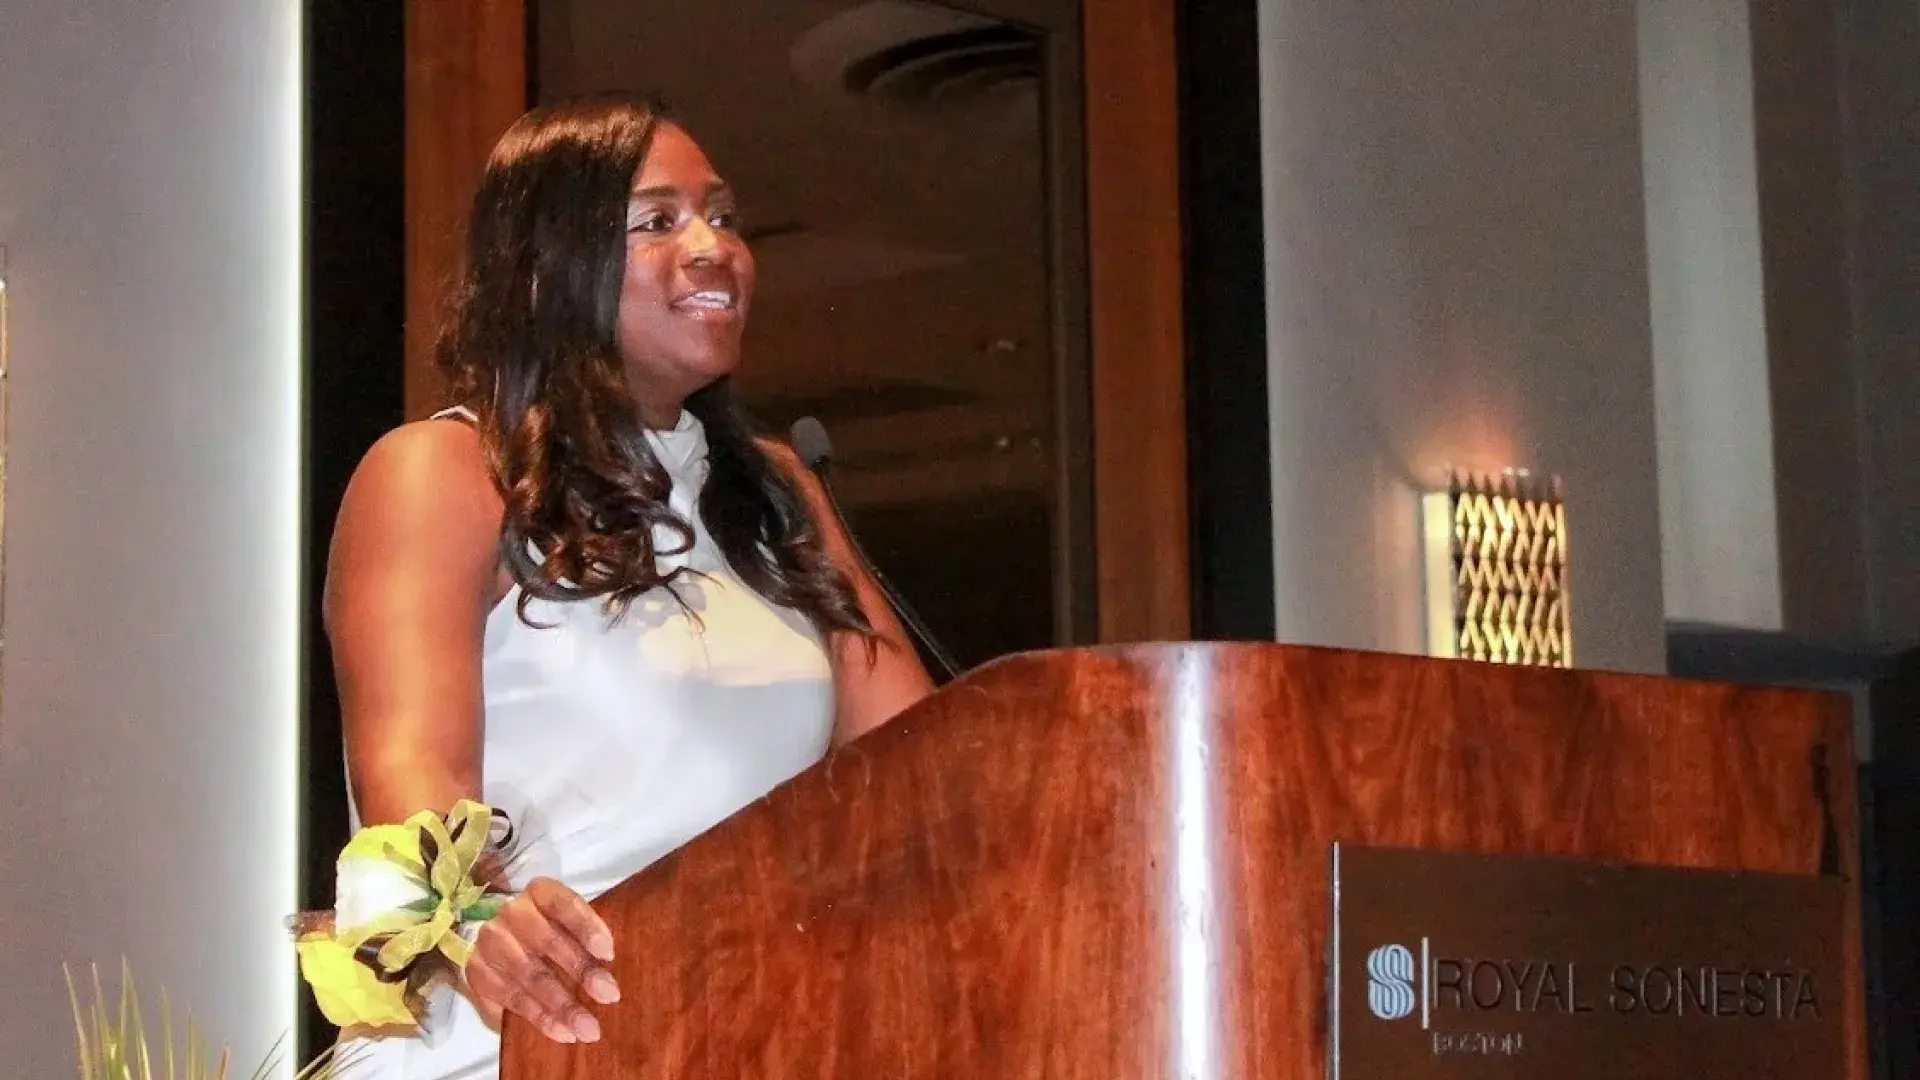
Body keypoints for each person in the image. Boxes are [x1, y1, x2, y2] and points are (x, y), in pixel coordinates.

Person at [322, 96, 934, 1078]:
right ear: (543, 265)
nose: (714, 248)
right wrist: (478, 919)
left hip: (734, 1045)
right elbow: (407, 776)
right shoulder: (444, 473)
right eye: (657, 222)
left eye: (725, 217)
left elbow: (929, 775)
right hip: (510, 1048)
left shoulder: (775, 494)